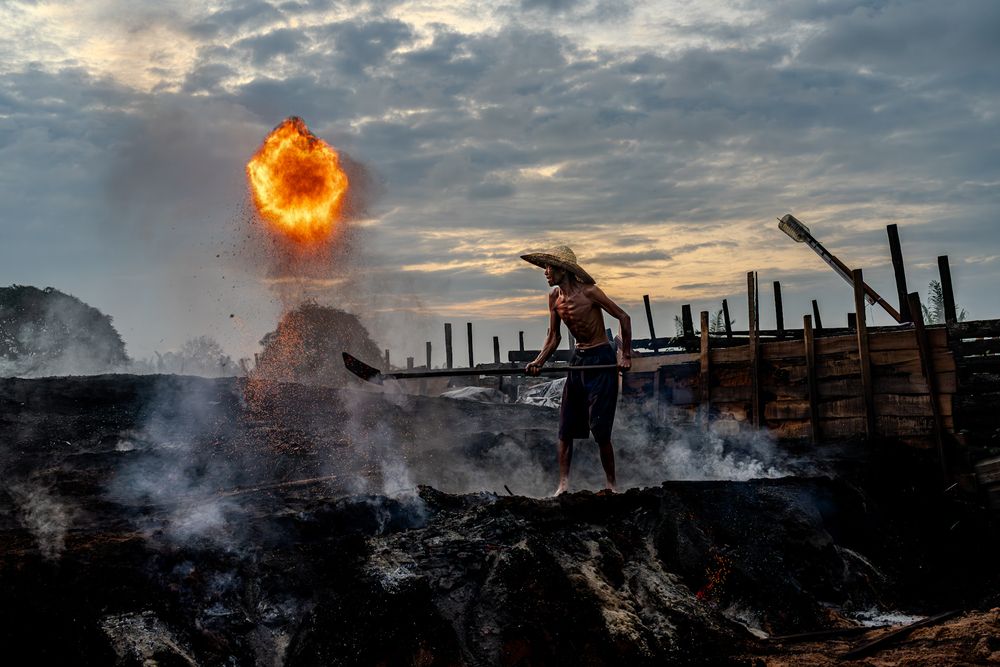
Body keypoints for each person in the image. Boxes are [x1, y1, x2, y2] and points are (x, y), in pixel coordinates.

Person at [521, 245, 632, 495]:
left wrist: (624, 356)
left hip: (601, 359)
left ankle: (611, 485)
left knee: (600, 429)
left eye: (550, 267)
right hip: (579, 360)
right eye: (545, 267)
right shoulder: (554, 298)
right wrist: (539, 361)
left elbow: (623, 317)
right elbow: (554, 337)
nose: (545, 272)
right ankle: (562, 485)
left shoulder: (590, 292)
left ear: (564, 270)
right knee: (565, 427)